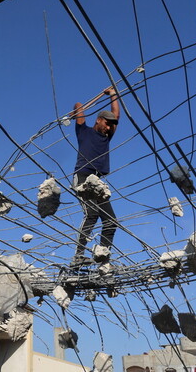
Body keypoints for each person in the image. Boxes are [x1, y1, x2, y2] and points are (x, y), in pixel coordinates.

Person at [70, 87, 121, 268]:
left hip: (97, 182)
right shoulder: (83, 132)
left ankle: (102, 256)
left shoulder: (106, 137)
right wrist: (77, 108)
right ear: (98, 120)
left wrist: (113, 94)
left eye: (111, 125)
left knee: (111, 221)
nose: (109, 128)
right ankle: (78, 255)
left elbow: (117, 115)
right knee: (91, 214)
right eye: (106, 124)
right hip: (83, 178)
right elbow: (79, 107)